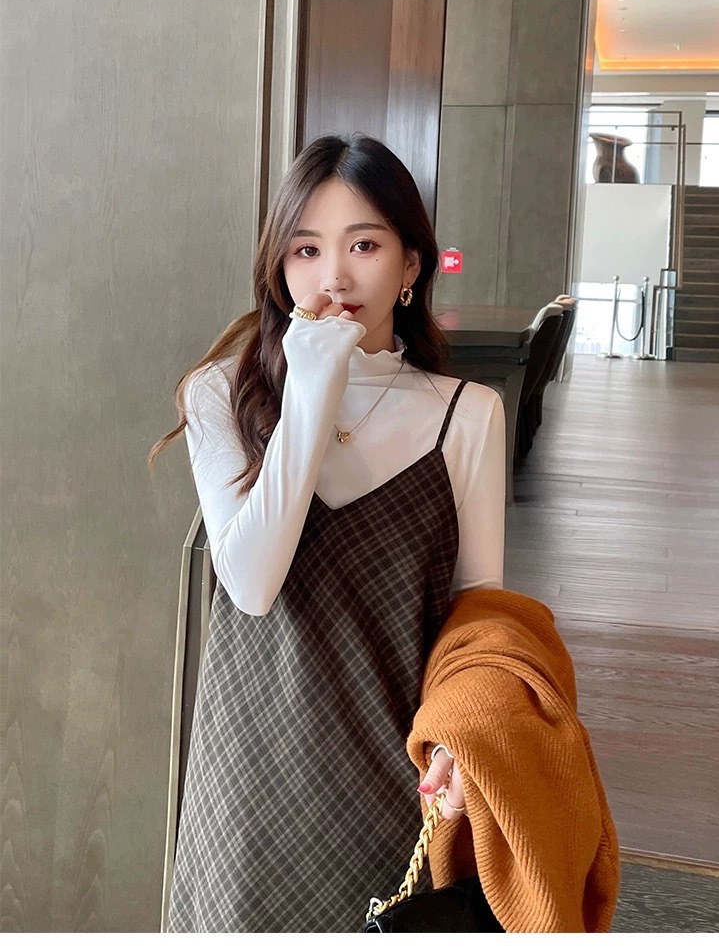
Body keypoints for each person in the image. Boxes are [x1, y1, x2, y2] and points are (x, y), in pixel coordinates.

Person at [148, 133, 506, 933]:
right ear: (279, 266)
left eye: (364, 245)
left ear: (411, 267)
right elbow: (252, 582)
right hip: (249, 781)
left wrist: (465, 734)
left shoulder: (466, 414)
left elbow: (480, 610)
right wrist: (311, 388)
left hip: (395, 776)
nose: (334, 277)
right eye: (306, 249)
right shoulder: (219, 394)